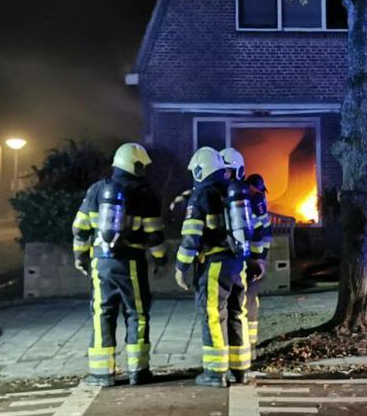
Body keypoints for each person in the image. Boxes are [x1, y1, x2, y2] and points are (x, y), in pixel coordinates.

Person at [72, 143, 166, 386]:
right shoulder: (145, 194)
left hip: (100, 263)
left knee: (102, 313)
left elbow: (80, 229)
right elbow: (154, 234)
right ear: (136, 165)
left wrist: (80, 257)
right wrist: (160, 259)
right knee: (137, 313)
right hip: (131, 263)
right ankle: (138, 371)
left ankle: (102, 374)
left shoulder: (96, 190)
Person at [174, 146, 251, 387]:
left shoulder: (202, 195)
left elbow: (191, 237)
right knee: (236, 313)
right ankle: (240, 369)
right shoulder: (231, 189)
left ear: (199, 170)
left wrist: (181, 267)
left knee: (213, 315)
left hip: (214, 265)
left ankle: (215, 373)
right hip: (237, 263)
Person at [246, 173, 272, 359]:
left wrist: (257, 258)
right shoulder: (260, 199)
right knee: (251, 299)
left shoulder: (254, 200)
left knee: (247, 300)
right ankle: (251, 347)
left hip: (254, 257)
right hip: (260, 255)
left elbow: (256, 232)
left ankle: (249, 348)